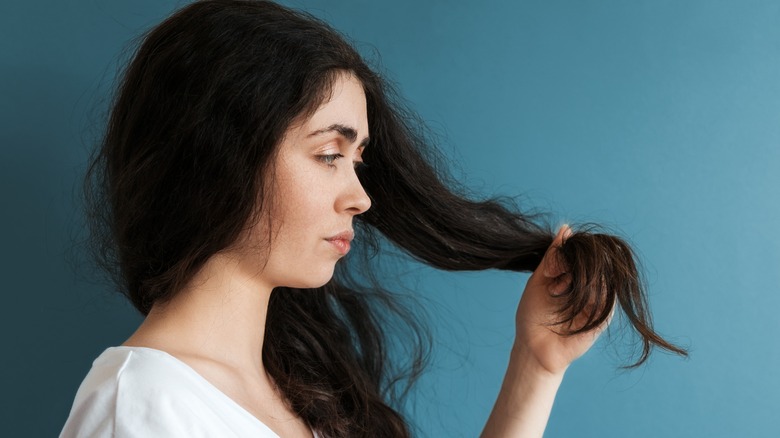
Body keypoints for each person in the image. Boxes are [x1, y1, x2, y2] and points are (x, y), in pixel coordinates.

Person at [60, 1, 686, 437]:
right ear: (217, 156)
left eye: (358, 160)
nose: (360, 197)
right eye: (329, 155)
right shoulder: (141, 409)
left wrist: (537, 366)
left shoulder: (295, 389)